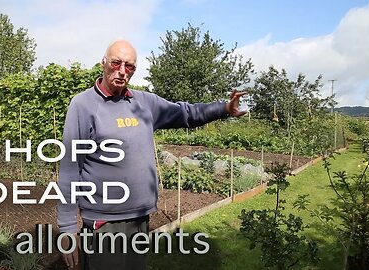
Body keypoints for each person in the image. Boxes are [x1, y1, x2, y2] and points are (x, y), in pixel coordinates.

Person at [57, 39, 246, 270]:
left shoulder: (143, 103)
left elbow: (186, 113)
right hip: (104, 222)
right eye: (116, 63)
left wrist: (224, 108)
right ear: (103, 63)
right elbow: (69, 168)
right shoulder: (83, 105)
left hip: (139, 216)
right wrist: (67, 228)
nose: (122, 71)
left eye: (130, 67)